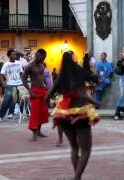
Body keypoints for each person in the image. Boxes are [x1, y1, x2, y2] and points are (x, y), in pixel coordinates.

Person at [45, 51, 100, 180]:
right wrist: (96, 102)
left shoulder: (60, 78)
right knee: (86, 150)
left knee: (74, 148)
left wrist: (51, 108)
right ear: (73, 60)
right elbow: (82, 94)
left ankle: (77, 177)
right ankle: (76, 178)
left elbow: (47, 97)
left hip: (63, 115)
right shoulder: (79, 74)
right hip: (80, 113)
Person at [23, 49, 49, 141]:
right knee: (35, 113)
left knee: (43, 112)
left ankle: (39, 131)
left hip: (43, 90)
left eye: (45, 57)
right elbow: (24, 80)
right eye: (43, 57)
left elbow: (43, 78)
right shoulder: (29, 66)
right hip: (34, 91)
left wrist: (48, 89)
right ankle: (34, 133)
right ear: (38, 55)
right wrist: (30, 91)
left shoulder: (43, 65)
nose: (44, 59)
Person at [0, 49, 24, 121]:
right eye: (13, 54)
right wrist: (4, 83)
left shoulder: (19, 63)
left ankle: (11, 113)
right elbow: (1, 75)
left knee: (15, 99)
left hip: (19, 83)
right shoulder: (6, 64)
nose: (15, 55)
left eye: (15, 54)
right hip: (10, 84)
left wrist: (23, 82)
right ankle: (0, 116)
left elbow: (21, 73)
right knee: (7, 99)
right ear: (9, 56)